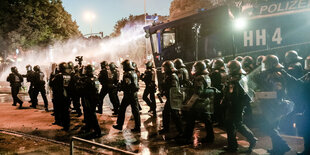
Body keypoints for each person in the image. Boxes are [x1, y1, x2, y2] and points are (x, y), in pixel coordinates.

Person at [254, 55, 293, 154]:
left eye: (266, 64)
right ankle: (277, 149)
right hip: (271, 104)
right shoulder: (270, 74)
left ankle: (283, 146)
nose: (264, 66)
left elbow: (277, 92)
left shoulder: (275, 75)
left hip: (273, 105)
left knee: (269, 127)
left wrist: (263, 95)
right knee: (272, 127)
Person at [222, 60, 257, 152]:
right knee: (230, 125)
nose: (228, 70)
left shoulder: (240, 78)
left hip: (237, 104)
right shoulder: (234, 77)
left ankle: (252, 139)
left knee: (238, 124)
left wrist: (236, 103)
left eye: (229, 68)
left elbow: (241, 93)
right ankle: (232, 146)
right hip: (232, 103)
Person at [182, 61, 216, 144]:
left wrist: (189, 104)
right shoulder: (207, 76)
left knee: (190, 119)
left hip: (199, 103)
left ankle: (187, 137)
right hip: (206, 102)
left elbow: (198, 92)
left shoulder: (199, 78)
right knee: (207, 121)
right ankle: (210, 137)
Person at [113, 59, 141, 132]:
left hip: (128, 94)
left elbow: (127, 85)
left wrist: (120, 87)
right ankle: (138, 126)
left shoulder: (127, 74)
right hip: (133, 94)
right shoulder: (133, 73)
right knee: (135, 110)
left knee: (122, 109)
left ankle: (119, 125)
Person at [158, 61, 183, 136]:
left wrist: (165, 90)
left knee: (175, 115)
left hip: (173, 98)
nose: (164, 69)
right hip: (170, 98)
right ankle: (166, 129)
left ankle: (181, 131)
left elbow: (173, 88)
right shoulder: (169, 75)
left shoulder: (172, 76)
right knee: (166, 113)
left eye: (165, 67)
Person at [78, 65, 102, 137]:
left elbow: (82, 89)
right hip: (95, 98)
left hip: (89, 99)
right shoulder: (95, 78)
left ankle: (97, 131)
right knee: (89, 114)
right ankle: (88, 126)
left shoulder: (87, 80)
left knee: (91, 114)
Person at [49, 62, 71, 131]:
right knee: (66, 111)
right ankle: (65, 124)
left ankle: (64, 125)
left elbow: (51, 84)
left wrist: (52, 74)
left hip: (59, 96)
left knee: (59, 110)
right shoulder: (69, 75)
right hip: (67, 95)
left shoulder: (58, 76)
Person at [209, 59, 226, 126]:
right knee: (222, 107)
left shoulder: (215, 73)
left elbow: (211, 81)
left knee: (217, 107)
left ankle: (218, 121)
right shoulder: (224, 71)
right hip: (223, 91)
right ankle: (222, 121)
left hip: (217, 91)